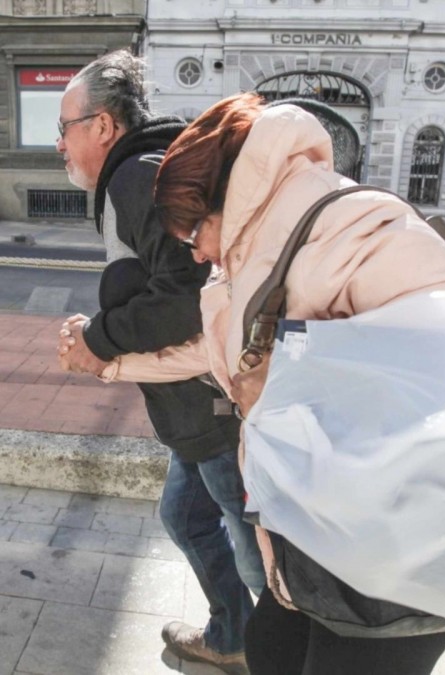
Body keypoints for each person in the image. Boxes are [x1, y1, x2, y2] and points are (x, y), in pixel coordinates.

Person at [98, 92, 445, 674]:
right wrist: (109, 363)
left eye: (192, 234)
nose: (196, 254)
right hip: (320, 536)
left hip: (398, 557)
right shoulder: (254, 254)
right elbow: (220, 350)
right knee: (268, 647)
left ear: (226, 202)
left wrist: (299, 392)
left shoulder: (354, 226)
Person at [53, 50, 264, 673]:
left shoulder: (135, 176)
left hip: (215, 404)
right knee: (186, 516)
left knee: (260, 555)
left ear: (102, 126)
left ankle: (283, 648)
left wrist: (98, 339)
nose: (59, 144)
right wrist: (102, 334)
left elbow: (183, 298)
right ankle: (235, 634)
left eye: (64, 127)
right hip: (193, 408)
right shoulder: (141, 171)